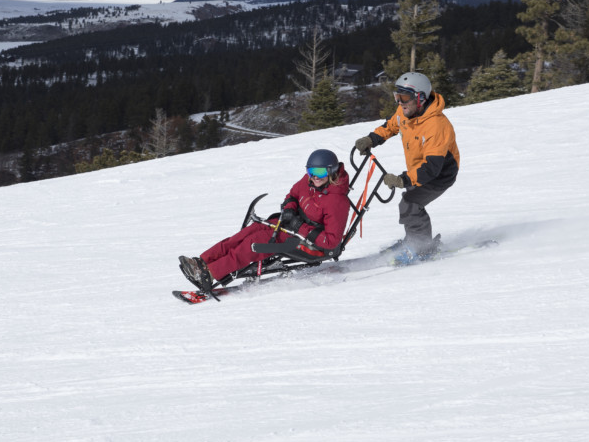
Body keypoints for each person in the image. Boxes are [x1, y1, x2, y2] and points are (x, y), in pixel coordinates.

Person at [179, 149, 351, 292]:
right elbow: (292, 194)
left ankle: (209, 274)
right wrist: (290, 209)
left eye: (320, 172)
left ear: (331, 171)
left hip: (312, 246)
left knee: (256, 242)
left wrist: (299, 226)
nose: (315, 177)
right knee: (249, 231)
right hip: (292, 227)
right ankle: (202, 262)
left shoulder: (337, 202)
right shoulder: (309, 182)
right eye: (311, 171)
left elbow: (331, 242)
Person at [354, 72, 459, 263]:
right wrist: (371, 139)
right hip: (417, 169)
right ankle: (413, 240)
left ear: (420, 98)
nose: (400, 102)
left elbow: (432, 168)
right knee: (410, 203)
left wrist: (403, 180)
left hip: (440, 174)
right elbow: (391, 126)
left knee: (410, 203)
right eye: (397, 96)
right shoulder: (405, 112)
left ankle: (422, 247)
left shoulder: (437, 125)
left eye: (404, 97)